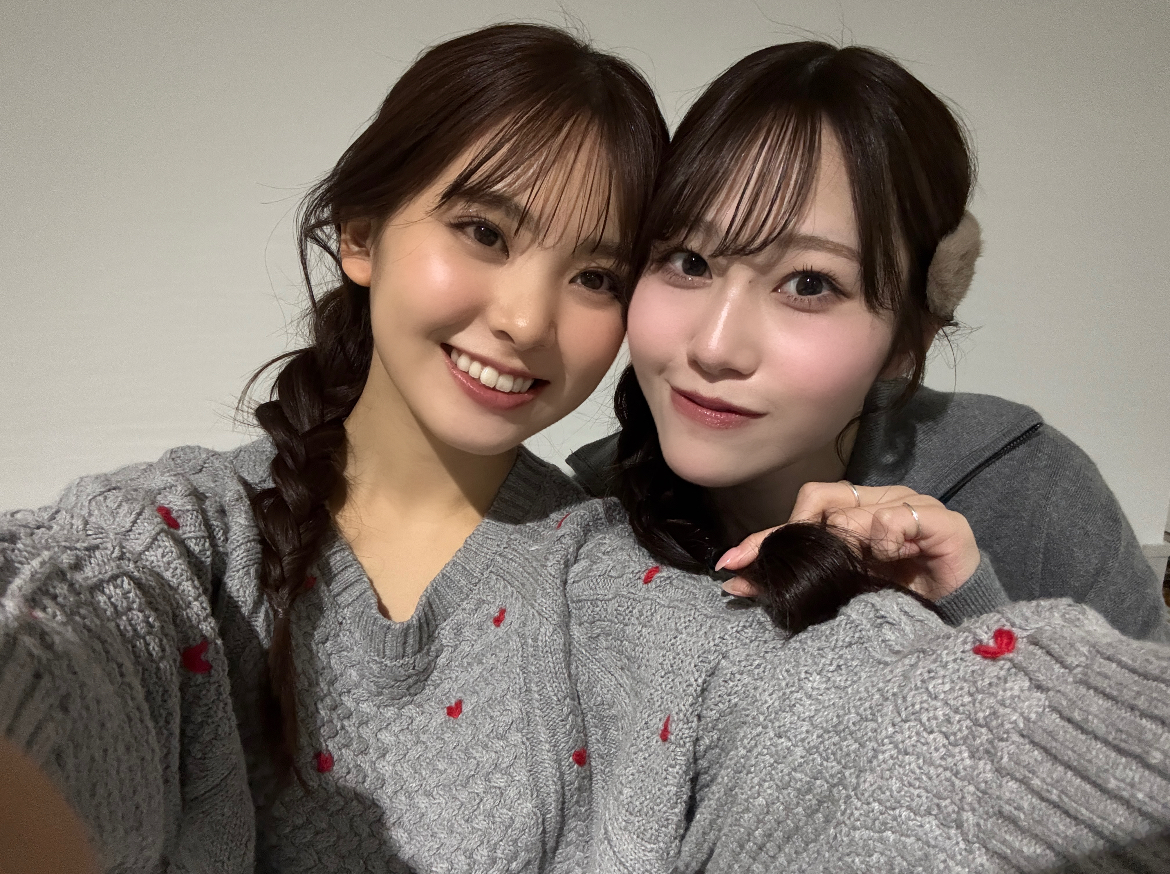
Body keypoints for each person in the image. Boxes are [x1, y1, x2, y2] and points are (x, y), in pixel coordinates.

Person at [3, 29, 1169, 874]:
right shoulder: (181, 537)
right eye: (483, 230)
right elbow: (73, 636)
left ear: (906, 337)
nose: (524, 318)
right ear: (360, 231)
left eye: (595, 273)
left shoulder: (624, 577)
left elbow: (852, 717)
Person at [567, 42, 1169, 643]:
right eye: (690, 261)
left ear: (909, 337)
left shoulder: (1027, 491)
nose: (715, 347)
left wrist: (967, 611)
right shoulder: (585, 520)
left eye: (808, 283)